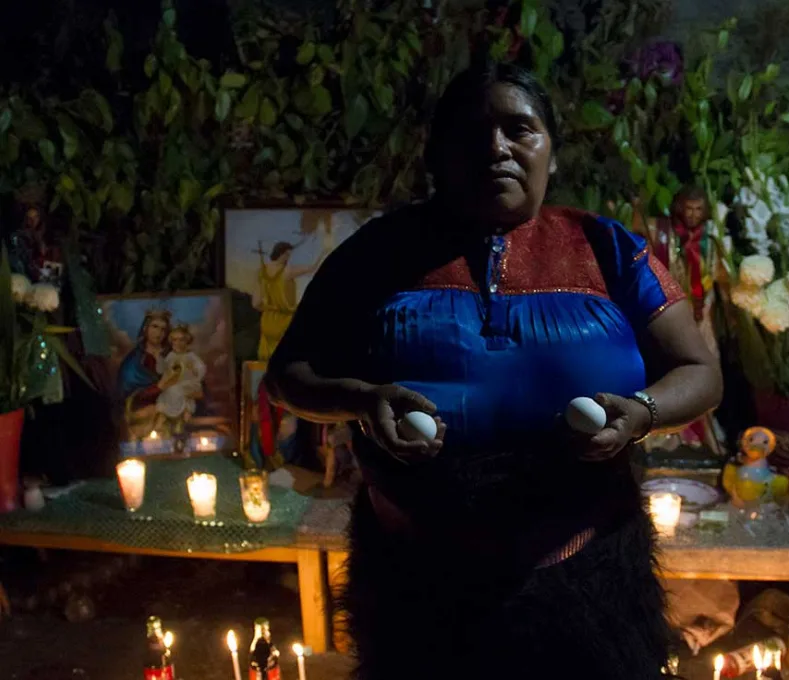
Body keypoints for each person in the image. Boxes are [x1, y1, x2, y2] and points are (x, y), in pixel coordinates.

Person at [265, 61, 723, 680]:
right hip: (417, 587)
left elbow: (699, 370)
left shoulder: (609, 249)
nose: (496, 148)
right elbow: (288, 374)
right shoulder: (377, 254)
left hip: (589, 582)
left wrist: (639, 414)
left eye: (520, 129)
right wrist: (358, 398)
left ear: (551, 154)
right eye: (471, 133)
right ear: (436, 155)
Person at [255, 240, 329, 360]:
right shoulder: (287, 271)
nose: (288, 258)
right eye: (287, 255)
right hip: (285, 322)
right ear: (282, 254)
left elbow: (256, 303)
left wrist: (271, 308)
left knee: (266, 363)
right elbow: (313, 268)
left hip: (268, 321)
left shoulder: (262, 271)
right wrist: (323, 253)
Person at [117, 309, 172, 440]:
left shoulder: (172, 356)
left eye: (163, 329)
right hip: (142, 418)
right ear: (145, 329)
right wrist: (159, 387)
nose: (159, 333)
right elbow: (126, 395)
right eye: (155, 327)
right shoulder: (133, 361)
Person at [153, 324, 206, 435]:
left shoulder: (190, 356)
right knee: (166, 393)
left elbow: (201, 368)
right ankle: (163, 416)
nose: (178, 343)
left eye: (181, 340)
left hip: (189, 383)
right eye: (175, 340)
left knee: (180, 392)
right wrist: (160, 360)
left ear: (187, 341)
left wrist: (194, 369)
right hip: (174, 382)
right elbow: (162, 370)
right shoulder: (171, 356)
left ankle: (186, 415)